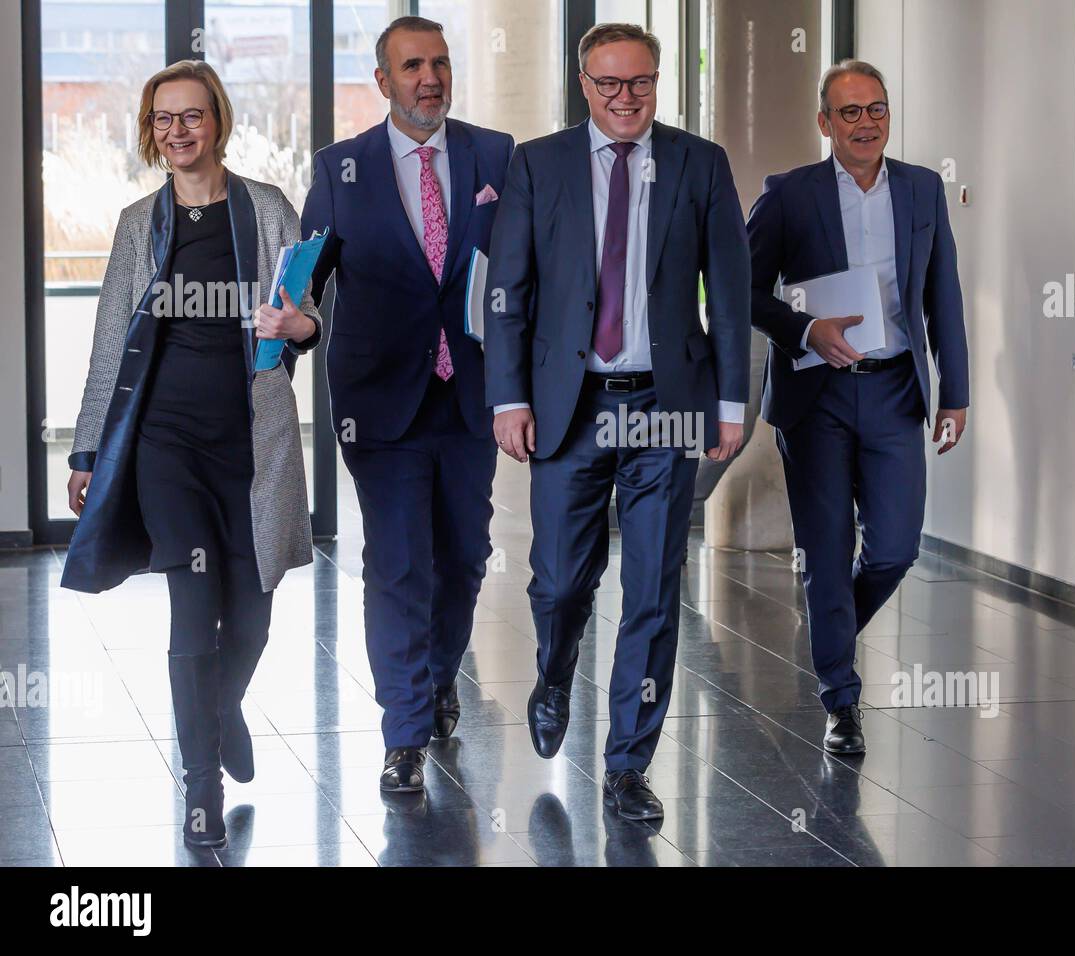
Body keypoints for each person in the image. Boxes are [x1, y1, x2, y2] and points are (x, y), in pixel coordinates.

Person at [485, 23, 750, 820]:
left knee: (653, 589)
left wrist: (730, 405)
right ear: (583, 83)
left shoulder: (700, 164)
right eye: (609, 84)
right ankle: (556, 668)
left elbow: (730, 297)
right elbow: (510, 291)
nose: (626, 98)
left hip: (666, 407)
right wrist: (509, 397)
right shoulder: (538, 164)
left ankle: (628, 764)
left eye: (640, 82)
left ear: (657, 81)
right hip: (573, 406)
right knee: (562, 582)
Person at [62, 60, 320, 848]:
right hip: (165, 443)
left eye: (192, 116)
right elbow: (112, 339)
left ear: (218, 122)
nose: (178, 130)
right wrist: (85, 447)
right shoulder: (139, 223)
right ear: (152, 130)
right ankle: (199, 785)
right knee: (189, 608)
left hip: (253, 442)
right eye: (164, 118)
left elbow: (310, 315)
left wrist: (301, 329)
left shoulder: (267, 208)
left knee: (252, 614)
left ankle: (222, 705)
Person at [301, 16, 514, 792]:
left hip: (472, 396)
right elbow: (306, 284)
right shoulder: (339, 168)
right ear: (383, 81)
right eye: (413, 65)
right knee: (397, 564)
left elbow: (517, 267)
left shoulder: (495, 155)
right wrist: (294, 329)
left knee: (463, 556)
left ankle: (436, 674)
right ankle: (403, 734)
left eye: (441, 64)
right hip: (379, 400)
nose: (431, 77)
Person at [748, 60, 969, 755]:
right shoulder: (789, 196)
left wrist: (954, 392)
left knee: (897, 546)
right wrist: (803, 329)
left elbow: (944, 297)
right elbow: (744, 292)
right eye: (850, 112)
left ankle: (828, 624)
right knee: (827, 549)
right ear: (825, 124)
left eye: (877, 109)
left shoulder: (922, 189)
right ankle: (840, 700)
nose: (866, 122)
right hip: (816, 393)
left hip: (896, 386)